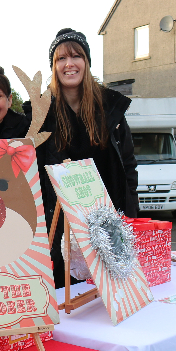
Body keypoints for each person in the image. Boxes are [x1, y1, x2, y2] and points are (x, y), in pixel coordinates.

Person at [33, 28, 139, 288]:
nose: (69, 64)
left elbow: (128, 164)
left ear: (87, 62)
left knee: (113, 291)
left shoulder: (110, 108)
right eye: (61, 59)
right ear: (53, 66)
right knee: (66, 296)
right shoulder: (40, 112)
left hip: (110, 220)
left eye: (76, 56)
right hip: (60, 224)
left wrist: (130, 213)